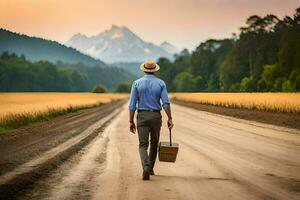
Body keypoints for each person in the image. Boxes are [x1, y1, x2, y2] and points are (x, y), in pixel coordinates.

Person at [129, 59, 174, 181]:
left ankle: (145, 167)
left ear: (144, 69)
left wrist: (131, 121)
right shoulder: (161, 83)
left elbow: (132, 105)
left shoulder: (136, 83)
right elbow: (165, 103)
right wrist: (170, 118)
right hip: (155, 116)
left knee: (143, 144)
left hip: (142, 116)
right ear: (154, 70)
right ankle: (150, 168)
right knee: (154, 142)